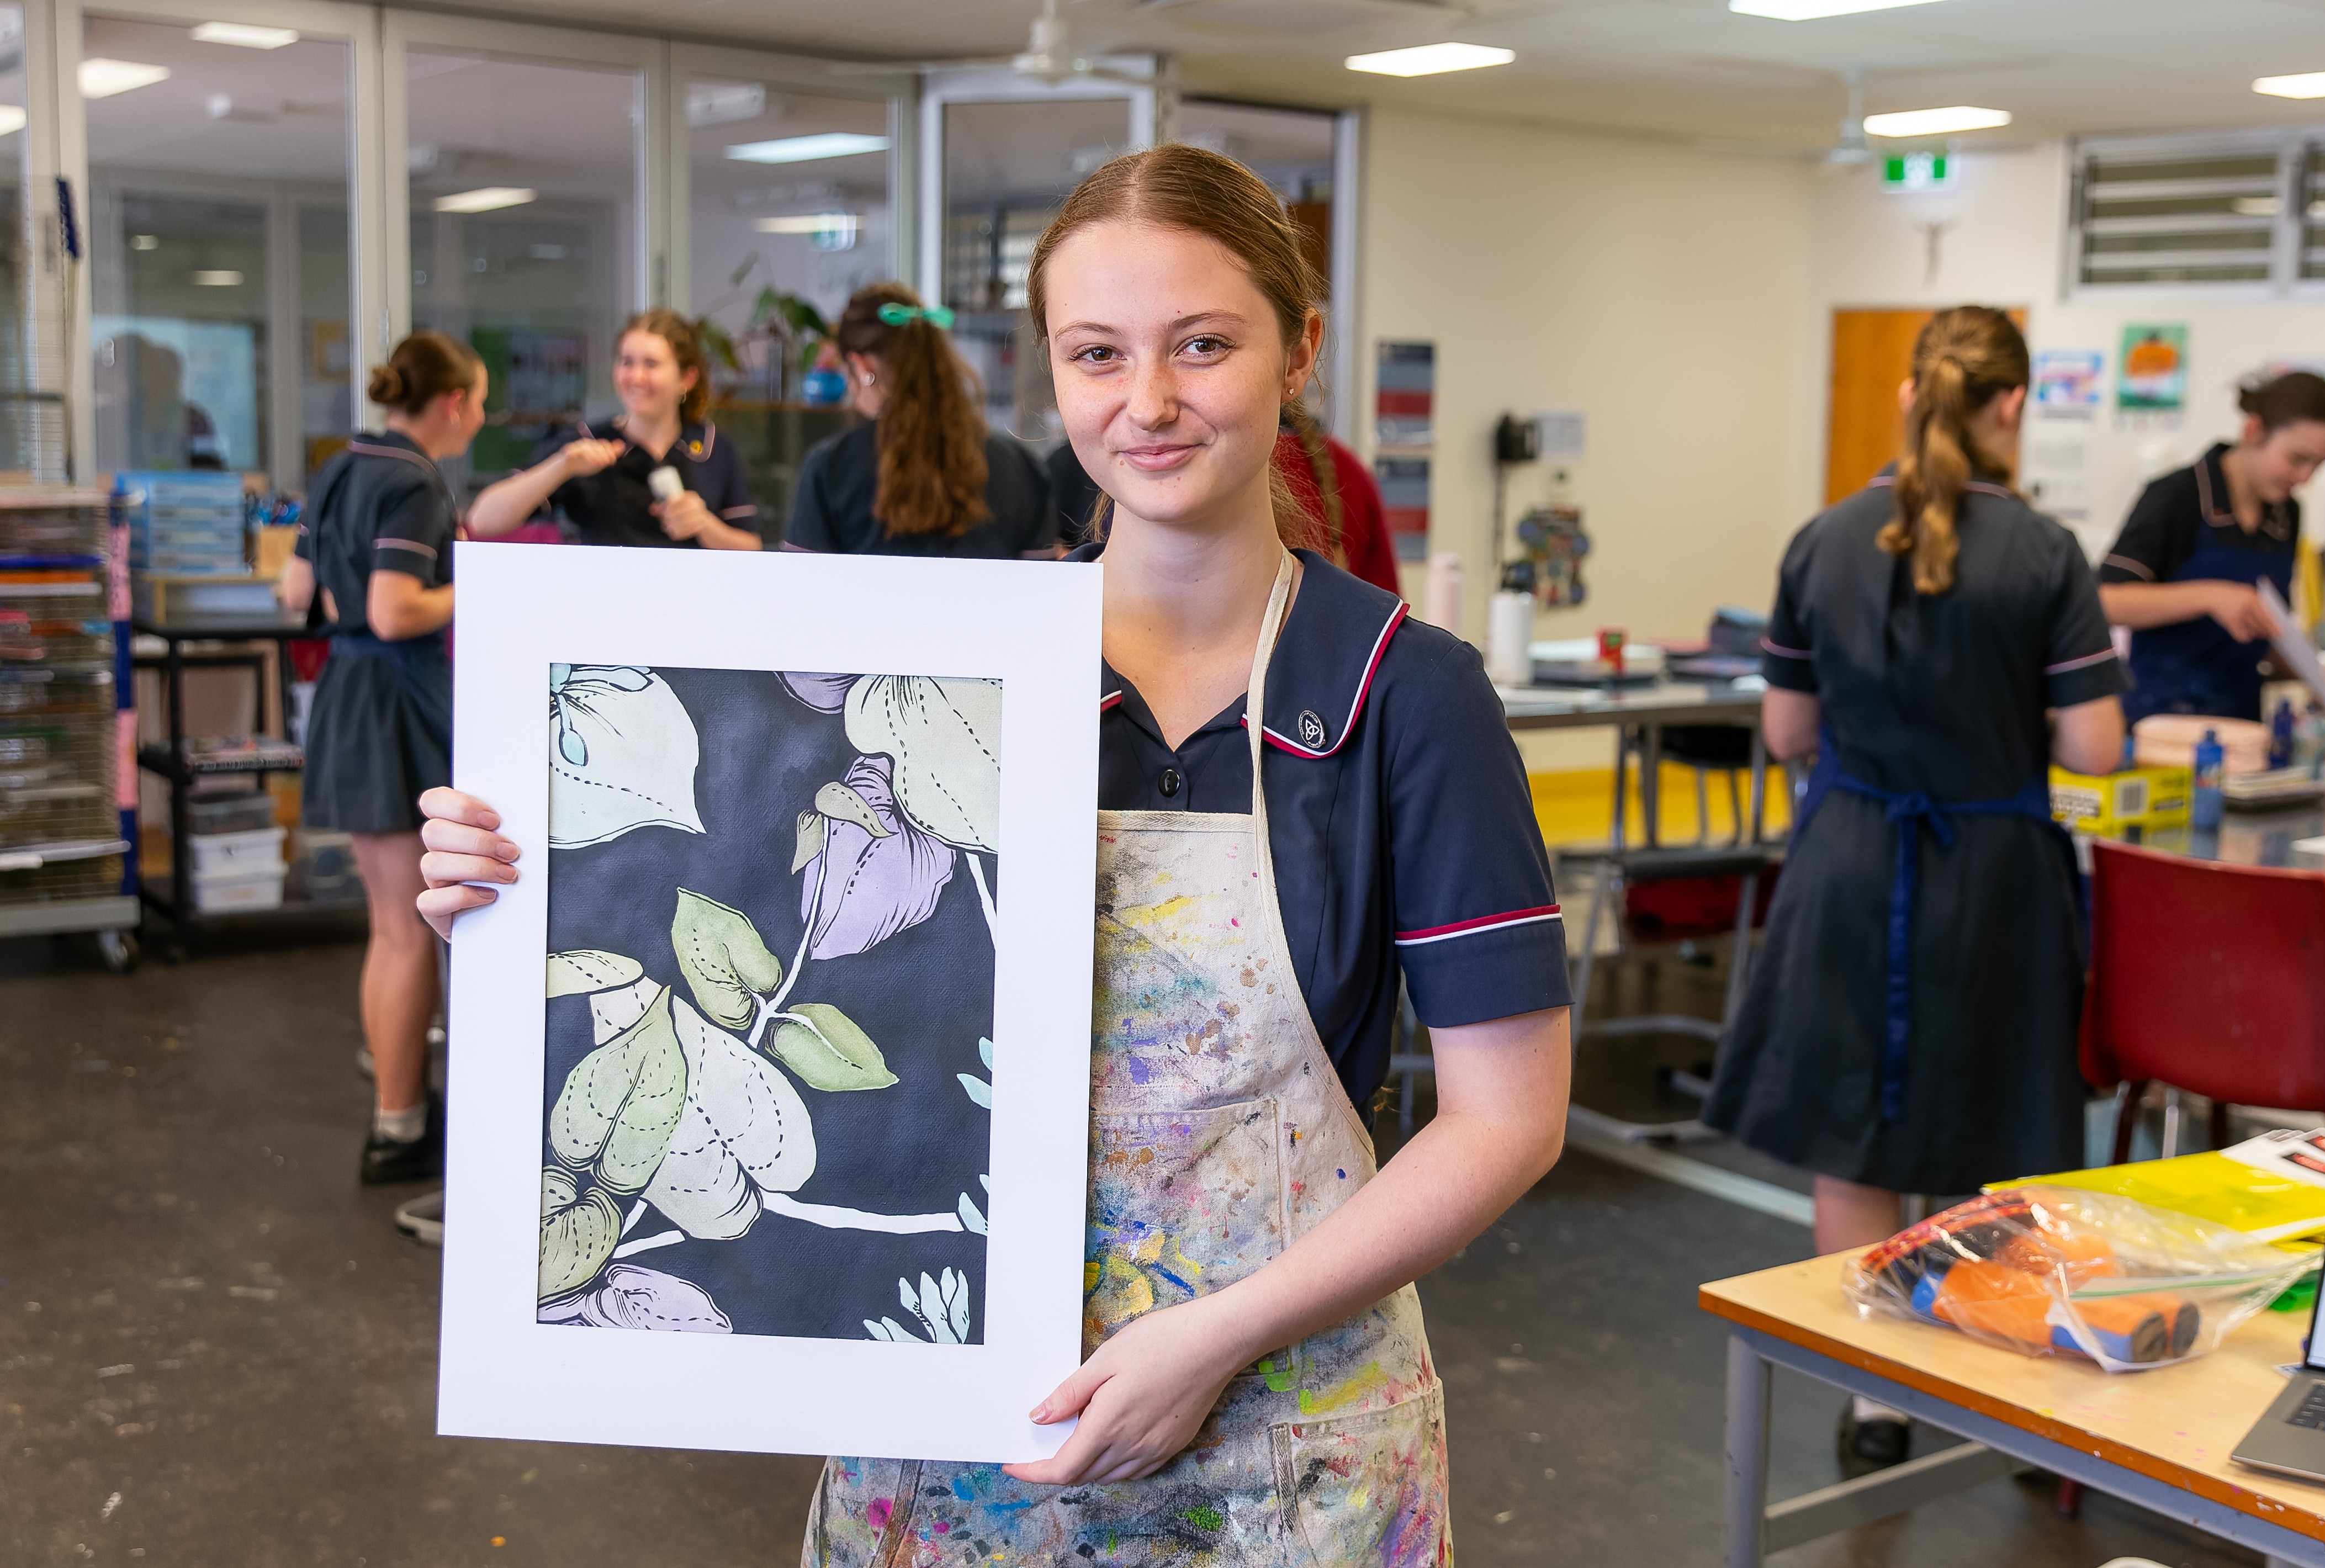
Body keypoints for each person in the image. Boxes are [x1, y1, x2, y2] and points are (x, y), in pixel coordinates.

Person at [416, 143, 1576, 1560]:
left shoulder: (1405, 692)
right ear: (1050, 368)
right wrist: (515, 871)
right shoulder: (940, 683)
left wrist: (1210, 1337)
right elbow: (721, 907)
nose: (1145, 401)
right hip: (959, 1430)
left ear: (1298, 350)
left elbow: (1505, 1115)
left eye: (1201, 344)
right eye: (1097, 353)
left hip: (1285, 1446)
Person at [1700, 307, 2127, 1470]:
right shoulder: (2043, 553)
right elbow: (2092, 750)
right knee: (2008, 1126)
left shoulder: (1825, 538)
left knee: (1856, 1134)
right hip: (1994, 871)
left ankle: (1875, 1396)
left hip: (1849, 860)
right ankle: (2009, 1384)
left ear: (1908, 398)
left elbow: (1787, 726)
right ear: (2012, 408)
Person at [279, 329, 486, 1184]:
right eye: (479, 401)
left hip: (347, 699)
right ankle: (398, 1132)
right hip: (395, 706)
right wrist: (477, 582)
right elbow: (396, 608)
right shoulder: (414, 482)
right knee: (411, 934)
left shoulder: (339, 467)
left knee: (389, 928)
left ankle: (400, 1115)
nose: (478, 416)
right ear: (453, 404)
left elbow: (296, 593)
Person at [2099, 371, 2325, 724]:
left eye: (2318, 466)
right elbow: (2105, 601)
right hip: (2159, 720)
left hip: (2240, 723)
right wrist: (2212, 597)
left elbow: (2271, 629)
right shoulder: (2178, 496)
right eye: (2296, 459)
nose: (2305, 478)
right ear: (2253, 431)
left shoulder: (2287, 514)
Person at [784, 282, 1056, 558]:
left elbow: (801, 589)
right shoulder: (1023, 467)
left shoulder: (829, 469)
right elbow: (1044, 589)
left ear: (861, 367)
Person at [469, 308, 761, 550]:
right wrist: (563, 466)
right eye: (627, 362)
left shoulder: (713, 448)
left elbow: (752, 549)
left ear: (686, 378)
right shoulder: (583, 443)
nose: (636, 377)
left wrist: (705, 526)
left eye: (652, 364)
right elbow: (482, 520)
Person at [1050, 410, 1404, 593]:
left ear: (1296, 360)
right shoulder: (1348, 468)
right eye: (1099, 353)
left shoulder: (1143, 465)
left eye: (1205, 346)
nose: (1148, 412)